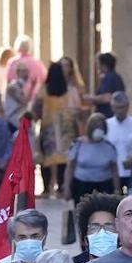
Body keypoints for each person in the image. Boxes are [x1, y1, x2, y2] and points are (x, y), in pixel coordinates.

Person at [63, 113, 120, 245]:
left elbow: (114, 170)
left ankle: (106, 242)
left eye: (101, 126)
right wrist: (66, 187)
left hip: (104, 185)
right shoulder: (78, 144)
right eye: (95, 126)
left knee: (104, 215)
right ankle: (85, 244)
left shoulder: (108, 146)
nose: (98, 128)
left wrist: (117, 190)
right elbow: (70, 167)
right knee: (83, 216)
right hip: (81, 185)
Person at [39, 61, 82, 198]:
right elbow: (76, 110)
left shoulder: (44, 91)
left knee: (47, 158)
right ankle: (62, 186)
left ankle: (46, 187)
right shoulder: (69, 90)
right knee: (64, 158)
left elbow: (36, 108)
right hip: (66, 129)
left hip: (48, 129)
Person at [105, 93, 132, 193]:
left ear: (127, 106)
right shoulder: (107, 125)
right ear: (112, 107)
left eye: (122, 107)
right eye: (116, 107)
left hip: (131, 172)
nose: (119, 111)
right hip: (111, 173)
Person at [84, 52, 125, 118]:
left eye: (98, 64)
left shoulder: (109, 78)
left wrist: (91, 98)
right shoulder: (115, 77)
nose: (97, 66)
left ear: (103, 65)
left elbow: (107, 98)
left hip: (107, 115)